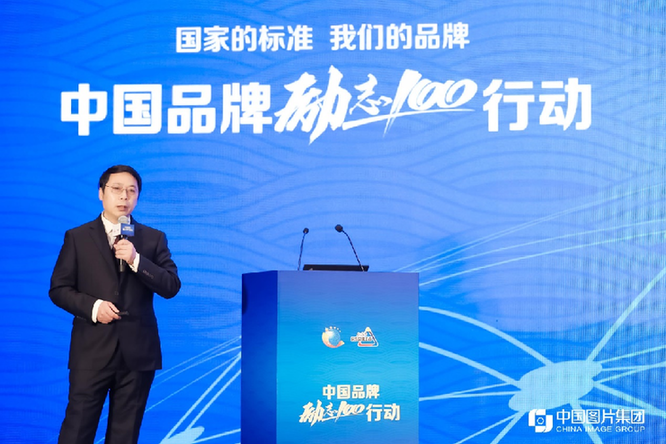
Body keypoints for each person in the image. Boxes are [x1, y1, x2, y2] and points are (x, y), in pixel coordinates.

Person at [49, 165, 181, 444]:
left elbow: (171, 286)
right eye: (117, 189)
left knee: (125, 435)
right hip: (92, 351)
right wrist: (94, 307)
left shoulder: (153, 238)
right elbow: (59, 289)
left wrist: (136, 259)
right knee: (77, 430)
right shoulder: (78, 237)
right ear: (101, 193)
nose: (124, 197)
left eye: (131, 191)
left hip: (138, 354)